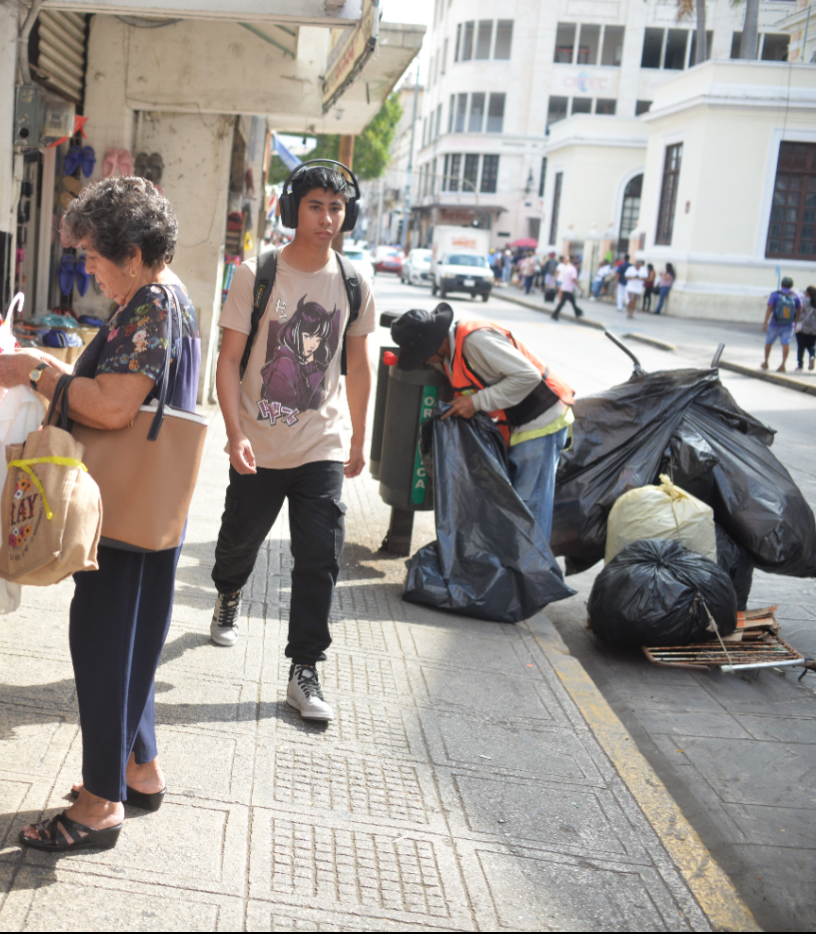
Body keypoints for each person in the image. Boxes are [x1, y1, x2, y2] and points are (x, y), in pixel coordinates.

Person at [0, 176, 200, 852]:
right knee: (130, 644)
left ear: (135, 253)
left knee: (105, 646)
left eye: (96, 258)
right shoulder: (173, 295)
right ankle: (139, 770)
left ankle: (99, 802)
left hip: (127, 509)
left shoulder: (149, 307)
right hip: (151, 504)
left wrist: (37, 372)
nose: (89, 271)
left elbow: (111, 407)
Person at [210, 162, 377, 723]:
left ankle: (304, 668)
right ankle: (228, 591)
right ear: (292, 209)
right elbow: (229, 360)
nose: (327, 218)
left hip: (321, 444)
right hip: (258, 444)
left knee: (320, 557)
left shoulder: (354, 282)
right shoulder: (255, 275)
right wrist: (235, 436)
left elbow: (358, 362)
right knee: (239, 542)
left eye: (336, 207)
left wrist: (358, 439)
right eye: (315, 206)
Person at [390, 303, 575, 540]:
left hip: (541, 417)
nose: (425, 361)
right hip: (517, 423)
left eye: (423, 356)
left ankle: (533, 574)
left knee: (530, 507)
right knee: (515, 506)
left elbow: (528, 376)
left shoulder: (475, 341)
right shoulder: (448, 356)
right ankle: (516, 569)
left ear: (433, 346)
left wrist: (475, 402)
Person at [763, 276, 803, 372]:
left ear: (781, 284)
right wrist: (795, 321)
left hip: (775, 323)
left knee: (769, 342)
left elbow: (770, 308)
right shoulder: (796, 295)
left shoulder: (775, 295)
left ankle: (766, 362)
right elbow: (800, 310)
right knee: (786, 343)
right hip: (789, 324)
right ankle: (783, 364)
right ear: (792, 285)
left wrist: (765, 322)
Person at [795, 285, 816, 371]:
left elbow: (797, 311)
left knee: (801, 346)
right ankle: (812, 356)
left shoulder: (803, 301)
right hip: (815, 328)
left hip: (802, 327)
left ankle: (800, 365)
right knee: (812, 345)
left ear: (807, 293)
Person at [551, 255, 582, 321]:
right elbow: (574, 279)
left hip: (565, 287)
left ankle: (578, 312)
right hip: (567, 288)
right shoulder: (573, 269)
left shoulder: (568, 268)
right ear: (576, 265)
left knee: (573, 301)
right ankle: (555, 314)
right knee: (562, 303)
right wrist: (579, 287)